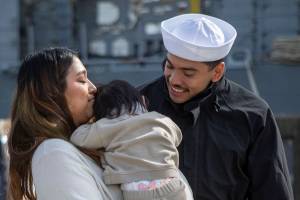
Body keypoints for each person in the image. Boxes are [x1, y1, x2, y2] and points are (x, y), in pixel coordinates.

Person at [139, 13, 294, 199]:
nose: (174, 80)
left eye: (188, 73)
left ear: (217, 72)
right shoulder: (138, 105)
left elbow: (272, 191)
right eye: (169, 66)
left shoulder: (253, 116)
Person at [7, 47, 123, 200]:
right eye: (81, 80)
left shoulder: (69, 148)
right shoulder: (53, 153)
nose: (93, 88)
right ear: (51, 92)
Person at [70, 79, 193, 200]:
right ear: (143, 101)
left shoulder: (106, 126)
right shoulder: (160, 119)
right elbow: (177, 136)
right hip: (172, 184)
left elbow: (77, 137)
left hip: (138, 191)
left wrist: (92, 122)